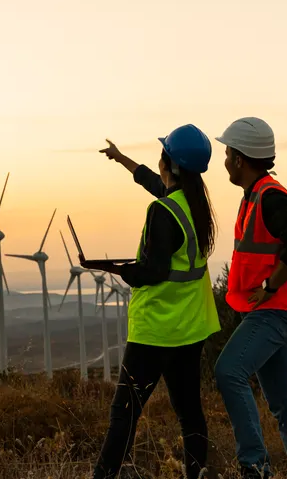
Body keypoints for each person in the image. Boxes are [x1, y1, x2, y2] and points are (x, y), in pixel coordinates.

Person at [84, 124, 221, 479]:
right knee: (190, 411)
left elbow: (155, 271)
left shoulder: (162, 212)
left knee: (124, 414)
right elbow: (151, 182)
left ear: (170, 165)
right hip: (191, 327)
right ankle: (197, 473)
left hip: (156, 330)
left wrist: (123, 271)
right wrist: (121, 159)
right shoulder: (195, 204)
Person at [212, 117, 287, 478]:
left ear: (240, 159)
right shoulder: (257, 195)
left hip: (277, 309)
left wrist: (271, 285)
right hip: (271, 308)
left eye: (227, 153)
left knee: (229, 371)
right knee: (284, 401)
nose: (224, 160)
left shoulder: (270, 197)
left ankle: (254, 466)